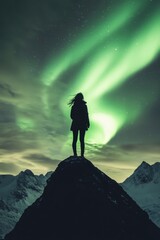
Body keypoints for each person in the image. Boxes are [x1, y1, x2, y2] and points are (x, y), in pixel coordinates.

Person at [68, 93, 90, 157]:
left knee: (75, 139)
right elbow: (86, 115)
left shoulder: (74, 106)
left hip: (76, 123)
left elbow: (71, 116)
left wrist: (76, 119)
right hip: (82, 124)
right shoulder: (84, 106)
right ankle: (81, 155)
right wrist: (87, 122)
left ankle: (76, 154)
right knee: (81, 140)